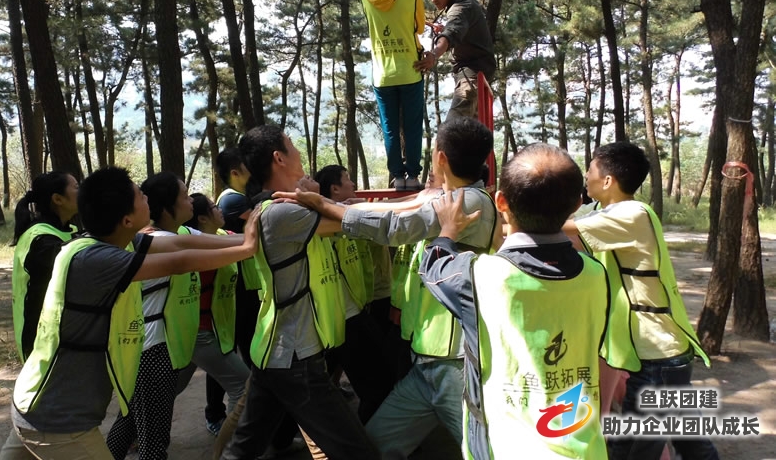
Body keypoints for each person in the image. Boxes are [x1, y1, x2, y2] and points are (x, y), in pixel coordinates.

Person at [275, 117, 501, 459]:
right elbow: (399, 208)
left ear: (440, 157)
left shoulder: (465, 203)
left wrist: (322, 204)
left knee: (485, 452)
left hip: (454, 361)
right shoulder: (455, 197)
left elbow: (396, 226)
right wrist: (345, 207)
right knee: (378, 444)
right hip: (428, 360)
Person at [0, 166, 258, 460]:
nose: (146, 196)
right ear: (126, 219)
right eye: (139, 195)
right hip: (58, 419)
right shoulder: (96, 259)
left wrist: (246, 239)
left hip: (34, 403)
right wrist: (248, 247)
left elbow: (183, 242)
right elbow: (180, 261)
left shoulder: (106, 242)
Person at [420, 143, 625, 460]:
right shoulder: (597, 276)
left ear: (500, 201)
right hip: (585, 449)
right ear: (575, 205)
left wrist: (447, 231)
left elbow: (432, 266)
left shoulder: (480, 276)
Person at [220, 126, 379, 460]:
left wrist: (319, 199)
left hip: (273, 349)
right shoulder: (282, 211)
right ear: (278, 158)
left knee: (245, 447)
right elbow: (360, 222)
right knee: (358, 452)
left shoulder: (282, 208)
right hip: (293, 356)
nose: (298, 151)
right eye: (292, 145)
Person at [566, 142, 718, 460]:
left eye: (590, 170)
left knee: (630, 447)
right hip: (660, 352)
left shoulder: (630, 214)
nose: (587, 177)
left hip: (657, 357)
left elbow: (562, 228)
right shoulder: (605, 212)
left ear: (608, 180)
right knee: (690, 441)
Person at [106, 172, 202, 459]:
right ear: (166, 207)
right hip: (152, 350)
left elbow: (212, 240)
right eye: (184, 197)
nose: (191, 201)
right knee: (153, 442)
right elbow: (191, 253)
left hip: (152, 348)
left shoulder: (173, 235)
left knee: (130, 424)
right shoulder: (155, 241)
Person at [314, 164, 395, 422]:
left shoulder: (347, 214)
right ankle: (373, 438)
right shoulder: (320, 220)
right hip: (341, 319)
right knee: (377, 384)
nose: (353, 184)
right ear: (335, 188)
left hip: (358, 309)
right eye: (348, 179)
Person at [174, 193, 249, 437]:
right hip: (201, 332)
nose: (220, 210)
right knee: (244, 387)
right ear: (204, 218)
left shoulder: (221, 237)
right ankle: (233, 449)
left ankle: (133, 425)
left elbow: (241, 240)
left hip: (214, 330)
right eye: (215, 207)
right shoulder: (194, 244)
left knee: (167, 390)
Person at [361, 0, 427, 190]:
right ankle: (413, 176)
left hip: (382, 74)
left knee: (389, 128)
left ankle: (397, 178)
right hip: (410, 69)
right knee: (412, 126)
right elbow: (419, 28)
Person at [11, 171, 79, 362]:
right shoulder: (40, 238)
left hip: (60, 334)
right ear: (58, 199)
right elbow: (73, 261)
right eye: (76, 187)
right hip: (39, 337)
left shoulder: (68, 231)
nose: (81, 192)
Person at [418, 0, 495, 121]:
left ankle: (442, 146)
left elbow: (451, 32)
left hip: (473, 73)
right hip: (478, 71)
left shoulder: (460, 7)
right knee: (470, 132)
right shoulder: (462, 2)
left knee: (452, 127)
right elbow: (454, 28)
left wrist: (434, 54)